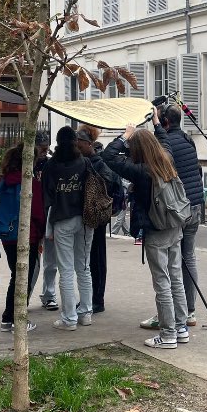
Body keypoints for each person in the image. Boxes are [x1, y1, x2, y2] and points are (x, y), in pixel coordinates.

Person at [103, 108, 190, 349]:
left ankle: (168, 334)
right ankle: (181, 328)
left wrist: (124, 136)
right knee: (175, 279)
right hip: (174, 225)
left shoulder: (142, 172)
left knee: (161, 281)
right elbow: (164, 142)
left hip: (156, 229)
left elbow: (109, 158)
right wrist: (156, 123)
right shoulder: (166, 160)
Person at [138, 105, 203, 330]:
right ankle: (189, 312)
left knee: (169, 266)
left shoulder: (165, 145)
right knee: (188, 257)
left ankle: (171, 316)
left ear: (164, 122)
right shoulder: (187, 140)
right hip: (193, 205)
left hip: (175, 209)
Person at [42, 125, 94, 330]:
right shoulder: (84, 163)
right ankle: (86, 313)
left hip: (62, 219)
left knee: (65, 270)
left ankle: (69, 318)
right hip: (84, 219)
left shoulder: (51, 166)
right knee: (83, 267)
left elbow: (47, 198)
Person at [78, 125, 122, 315]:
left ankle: (96, 299)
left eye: (79, 142)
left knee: (94, 258)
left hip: (95, 215)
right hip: (93, 215)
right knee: (91, 258)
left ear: (88, 143)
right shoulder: (90, 161)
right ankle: (93, 298)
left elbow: (110, 183)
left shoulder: (97, 163)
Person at [0, 143, 40, 333]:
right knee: (24, 278)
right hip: (27, 234)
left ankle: (8, 317)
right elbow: (38, 212)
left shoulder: (3, 181)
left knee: (16, 275)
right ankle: (16, 319)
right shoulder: (30, 182)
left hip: (7, 235)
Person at [32, 132, 61, 311]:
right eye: (41, 149)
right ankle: (24, 294)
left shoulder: (52, 163)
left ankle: (49, 295)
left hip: (49, 214)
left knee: (51, 261)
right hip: (33, 216)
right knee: (32, 263)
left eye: (46, 148)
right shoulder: (26, 163)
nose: (45, 152)